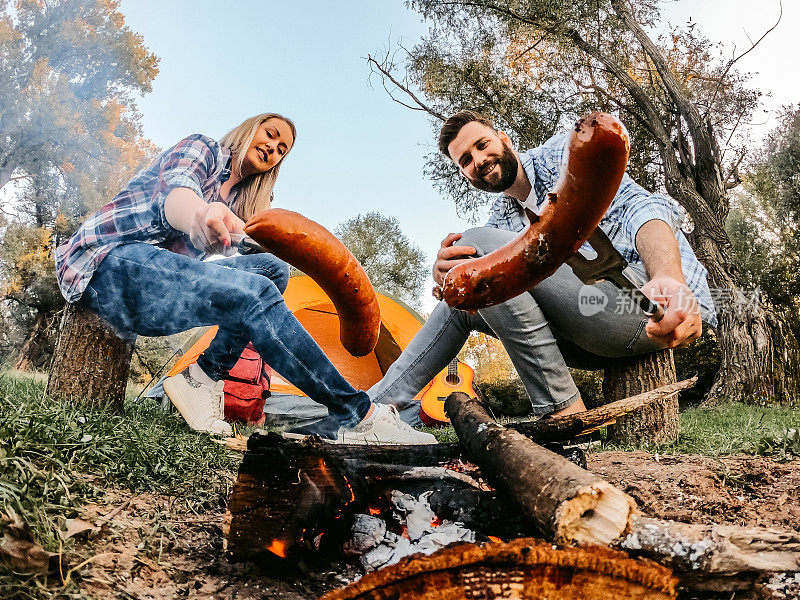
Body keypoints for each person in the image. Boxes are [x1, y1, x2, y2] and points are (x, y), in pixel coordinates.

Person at [55, 112, 435, 445]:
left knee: (273, 270)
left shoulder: (239, 203)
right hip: (105, 263)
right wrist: (197, 216)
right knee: (255, 294)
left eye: (282, 148)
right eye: (269, 134)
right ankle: (356, 414)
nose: (273, 147)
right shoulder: (204, 148)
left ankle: (202, 377)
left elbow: (252, 251)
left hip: (158, 296)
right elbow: (177, 195)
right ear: (249, 129)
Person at [368, 111, 716, 425]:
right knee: (465, 300)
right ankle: (371, 410)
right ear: (464, 174)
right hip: (587, 336)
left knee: (476, 249)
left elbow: (643, 207)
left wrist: (668, 276)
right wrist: (449, 283)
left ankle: (560, 410)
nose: (478, 160)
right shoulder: (502, 220)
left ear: (504, 138)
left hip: (650, 307)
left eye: (482, 144)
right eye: (466, 160)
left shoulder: (559, 157)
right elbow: (480, 287)